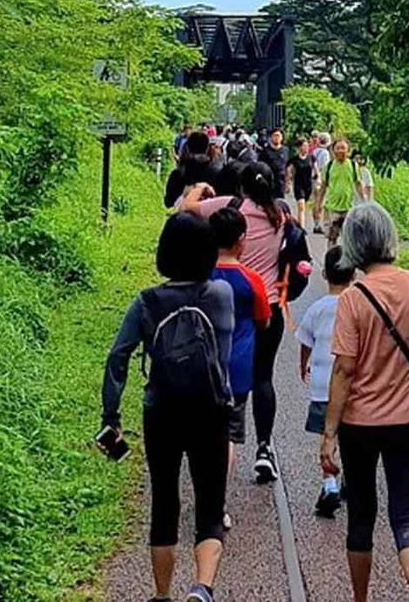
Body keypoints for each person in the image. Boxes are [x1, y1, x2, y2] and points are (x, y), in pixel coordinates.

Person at [101, 212, 232, 602]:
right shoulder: (221, 295)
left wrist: (111, 416)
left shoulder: (145, 302)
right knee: (210, 505)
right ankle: (202, 588)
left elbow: (117, 357)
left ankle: (162, 595)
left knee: (164, 501)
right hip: (211, 408)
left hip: (161, 410)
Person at [321, 202, 409, 602]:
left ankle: (361, 598)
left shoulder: (353, 298)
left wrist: (329, 433)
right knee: (407, 513)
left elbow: (343, 370)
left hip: (360, 422)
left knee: (361, 515)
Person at [180, 162, 288, 483]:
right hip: (266, 303)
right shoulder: (280, 215)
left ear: (242, 185)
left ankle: (215, 441)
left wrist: (200, 188)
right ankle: (264, 448)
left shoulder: (230, 206)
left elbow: (186, 208)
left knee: (219, 372)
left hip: (224, 299)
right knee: (263, 377)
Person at [210, 205, 271, 522]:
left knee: (204, 433)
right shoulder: (252, 280)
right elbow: (264, 319)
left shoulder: (201, 275)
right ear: (241, 240)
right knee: (228, 436)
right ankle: (216, 503)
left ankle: (205, 495)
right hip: (237, 368)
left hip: (202, 367)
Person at [296, 245, 355, 518]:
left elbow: (305, 341)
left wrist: (303, 365)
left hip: (322, 386)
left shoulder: (317, 308)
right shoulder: (357, 307)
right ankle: (351, 482)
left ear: (324, 274)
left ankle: (329, 483)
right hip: (351, 386)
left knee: (326, 434)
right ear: (353, 274)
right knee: (350, 435)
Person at [321, 137, 361, 247]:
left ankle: (347, 257)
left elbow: (358, 184)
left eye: (343, 148)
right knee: (332, 237)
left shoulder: (353, 166)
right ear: (333, 150)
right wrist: (317, 204)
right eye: (337, 148)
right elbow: (323, 186)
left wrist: (365, 200)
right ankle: (331, 256)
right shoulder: (329, 166)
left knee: (349, 238)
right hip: (332, 208)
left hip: (349, 207)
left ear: (348, 151)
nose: (340, 151)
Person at [165, 130, 219, 208]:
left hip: (183, 212)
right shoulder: (216, 172)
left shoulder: (178, 173)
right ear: (207, 148)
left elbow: (168, 202)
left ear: (188, 147)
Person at [289, 137, 315, 229]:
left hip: (308, 184)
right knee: (301, 206)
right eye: (304, 146)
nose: (306, 148)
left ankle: (312, 223)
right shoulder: (294, 159)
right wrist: (288, 183)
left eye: (307, 146)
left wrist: (318, 179)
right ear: (299, 147)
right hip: (298, 184)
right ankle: (301, 228)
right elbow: (289, 171)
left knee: (307, 206)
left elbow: (316, 169)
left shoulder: (311, 158)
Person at [261, 127, 290, 199]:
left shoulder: (285, 150)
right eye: (275, 135)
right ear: (271, 137)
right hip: (269, 184)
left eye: (278, 136)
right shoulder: (265, 151)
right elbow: (261, 167)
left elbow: (287, 167)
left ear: (282, 138)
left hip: (281, 184)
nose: (277, 138)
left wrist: (288, 183)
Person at [311, 132, 332, 232]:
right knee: (321, 202)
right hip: (321, 179)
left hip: (313, 178)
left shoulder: (314, 151)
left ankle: (316, 224)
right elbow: (325, 168)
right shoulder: (325, 153)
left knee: (315, 201)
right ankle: (320, 224)